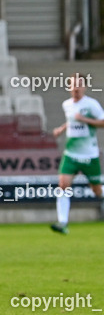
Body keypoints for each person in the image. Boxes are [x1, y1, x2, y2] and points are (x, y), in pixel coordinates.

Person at [50, 73, 104, 234]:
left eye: (79, 85)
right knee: (63, 185)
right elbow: (72, 120)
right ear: (69, 87)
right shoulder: (67, 104)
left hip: (89, 154)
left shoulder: (92, 104)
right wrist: (61, 129)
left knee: (97, 190)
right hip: (71, 154)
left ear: (85, 87)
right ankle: (62, 223)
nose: (76, 88)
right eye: (73, 85)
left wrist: (85, 120)